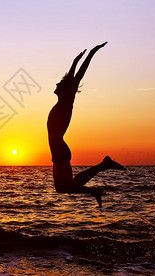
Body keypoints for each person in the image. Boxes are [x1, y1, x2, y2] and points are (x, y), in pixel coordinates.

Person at [47, 42, 126, 207]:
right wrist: (74, 63)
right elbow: (70, 79)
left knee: (67, 187)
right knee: (61, 189)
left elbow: (76, 78)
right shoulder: (62, 101)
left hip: (60, 149)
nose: (56, 84)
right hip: (57, 151)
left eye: (59, 84)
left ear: (65, 89)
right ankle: (95, 190)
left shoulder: (67, 101)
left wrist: (92, 53)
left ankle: (104, 165)